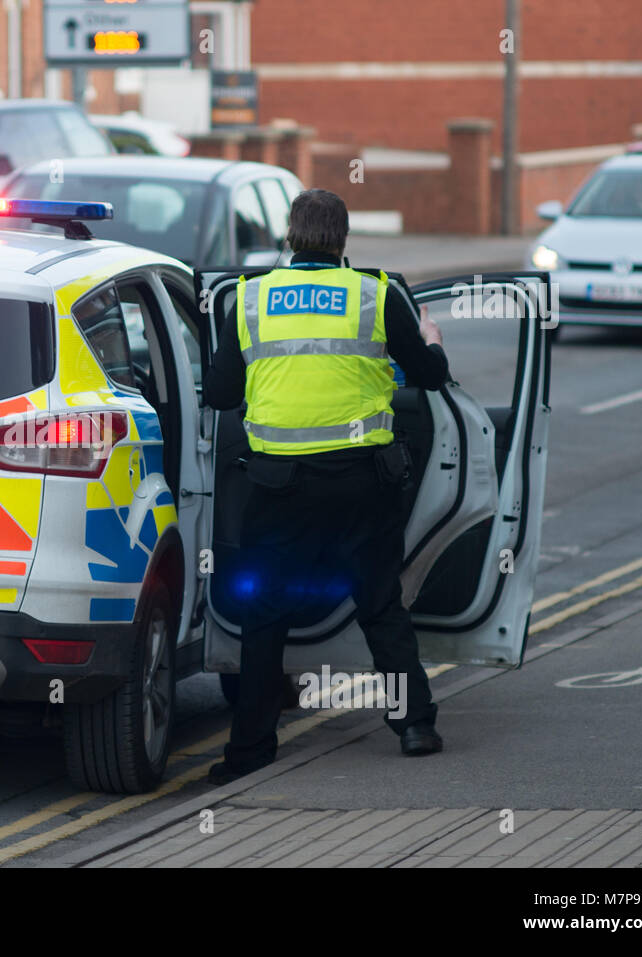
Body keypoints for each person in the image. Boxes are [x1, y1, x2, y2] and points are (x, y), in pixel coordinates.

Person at [203, 188, 449, 786]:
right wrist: (432, 338)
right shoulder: (376, 294)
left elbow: (221, 395)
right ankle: (414, 725)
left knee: (264, 615)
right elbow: (430, 379)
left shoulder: (249, 298)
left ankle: (251, 751)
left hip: (277, 485)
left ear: (290, 236)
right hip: (363, 484)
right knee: (379, 603)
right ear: (342, 240)